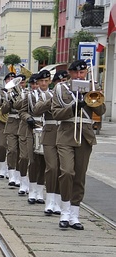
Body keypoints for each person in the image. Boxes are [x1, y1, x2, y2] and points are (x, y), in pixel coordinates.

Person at [51, 59, 106, 230]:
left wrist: (94, 95)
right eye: (76, 72)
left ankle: (74, 214)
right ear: (70, 72)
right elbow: (56, 113)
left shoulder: (92, 86)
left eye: (82, 73)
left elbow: (101, 111)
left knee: (80, 176)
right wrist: (75, 106)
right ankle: (65, 210)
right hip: (67, 133)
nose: (79, 75)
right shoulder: (61, 89)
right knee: (67, 171)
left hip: (85, 135)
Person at [33, 70, 62, 214]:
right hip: (50, 132)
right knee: (52, 167)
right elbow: (36, 109)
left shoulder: (69, 94)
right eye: (41, 81)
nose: (44, 84)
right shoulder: (44, 95)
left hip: (65, 133)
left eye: (47, 81)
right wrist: (52, 99)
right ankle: (49, 201)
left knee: (63, 169)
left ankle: (57, 202)